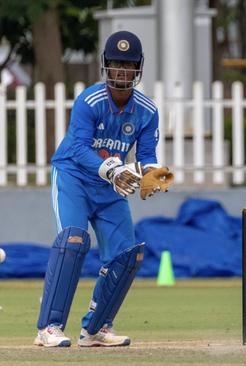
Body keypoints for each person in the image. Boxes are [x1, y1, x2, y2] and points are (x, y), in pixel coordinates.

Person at [34, 30, 173, 347]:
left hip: (112, 187)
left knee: (127, 256)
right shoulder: (89, 101)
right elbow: (80, 148)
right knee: (73, 239)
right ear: (105, 66)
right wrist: (110, 166)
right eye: (115, 64)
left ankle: (96, 329)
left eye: (128, 65)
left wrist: (152, 173)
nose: (121, 71)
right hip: (74, 176)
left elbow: (146, 155)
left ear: (138, 68)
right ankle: (49, 328)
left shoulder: (147, 111)